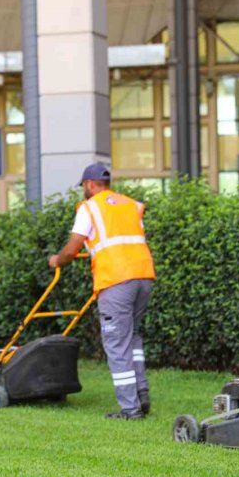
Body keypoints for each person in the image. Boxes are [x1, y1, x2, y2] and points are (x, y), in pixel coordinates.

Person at [49, 163, 155, 420]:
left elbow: (73, 248)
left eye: (84, 186)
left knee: (117, 342)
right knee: (133, 337)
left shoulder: (90, 207)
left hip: (115, 279)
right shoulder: (131, 204)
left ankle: (130, 409)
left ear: (89, 184)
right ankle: (141, 394)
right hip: (143, 276)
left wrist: (57, 260)